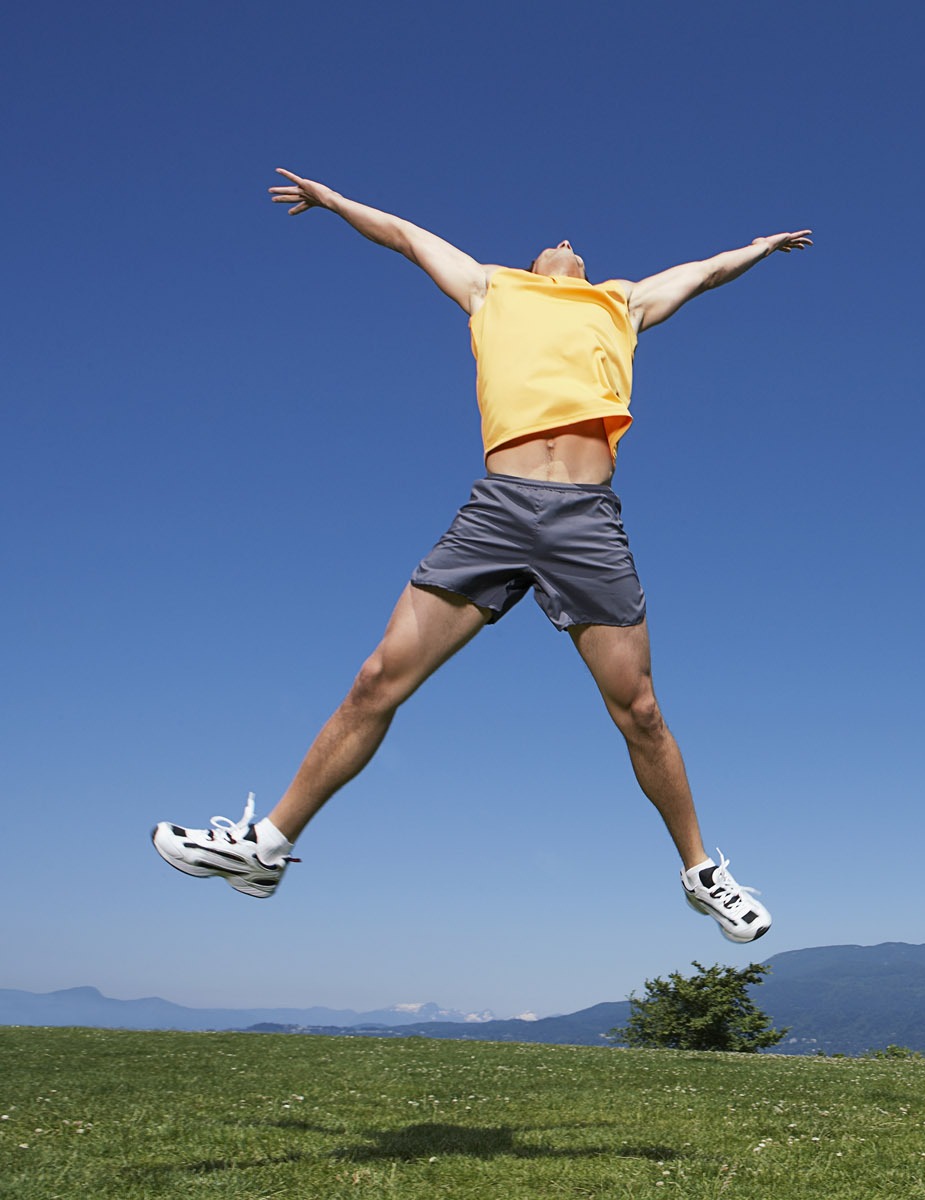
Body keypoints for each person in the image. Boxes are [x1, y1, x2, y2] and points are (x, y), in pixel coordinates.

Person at [152, 168, 809, 944]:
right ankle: (265, 849)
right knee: (376, 679)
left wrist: (760, 247)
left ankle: (703, 874)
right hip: (497, 512)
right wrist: (331, 202)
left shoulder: (620, 302)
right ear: (534, 265)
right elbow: (401, 232)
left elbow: (702, 273)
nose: (566, 242)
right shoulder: (489, 289)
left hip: (585, 520)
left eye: (576, 243)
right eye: (554, 243)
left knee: (640, 709)